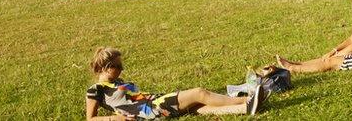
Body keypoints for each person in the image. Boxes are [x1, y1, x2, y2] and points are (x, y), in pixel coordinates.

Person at [85, 47, 261, 119]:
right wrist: (116, 118)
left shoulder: (119, 81)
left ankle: (245, 108)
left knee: (196, 107)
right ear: (104, 67)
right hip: (148, 110)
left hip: (153, 102)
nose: (121, 69)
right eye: (117, 66)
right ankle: (248, 99)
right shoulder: (96, 90)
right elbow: (90, 118)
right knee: (199, 93)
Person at [276, 0, 352, 73]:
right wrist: (334, 51)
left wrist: (337, 55)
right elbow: (351, 39)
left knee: (331, 61)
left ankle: (293, 68)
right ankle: (297, 64)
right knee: (327, 57)